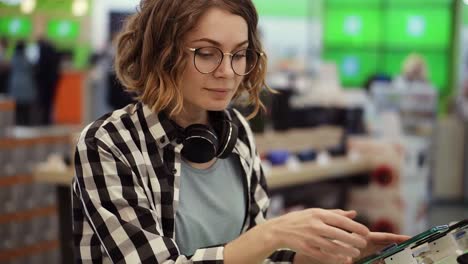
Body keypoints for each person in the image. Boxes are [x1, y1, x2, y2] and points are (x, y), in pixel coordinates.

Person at [71, 1, 409, 263]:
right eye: (206, 53)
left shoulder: (237, 133)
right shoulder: (108, 144)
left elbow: (259, 256)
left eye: (240, 54)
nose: (228, 73)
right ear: (163, 53)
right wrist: (274, 232)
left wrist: (323, 255)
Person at [7, 40, 37, 126]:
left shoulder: (13, 58)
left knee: (16, 108)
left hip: (15, 84)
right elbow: (32, 69)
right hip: (27, 84)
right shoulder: (26, 58)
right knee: (26, 108)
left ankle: (17, 124)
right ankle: (26, 123)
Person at [35, 37, 60, 125]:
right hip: (52, 81)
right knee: (49, 102)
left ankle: (43, 120)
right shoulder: (53, 52)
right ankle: (47, 119)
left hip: (44, 82)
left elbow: (40, 69)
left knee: (43, 101)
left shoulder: (42, 52)